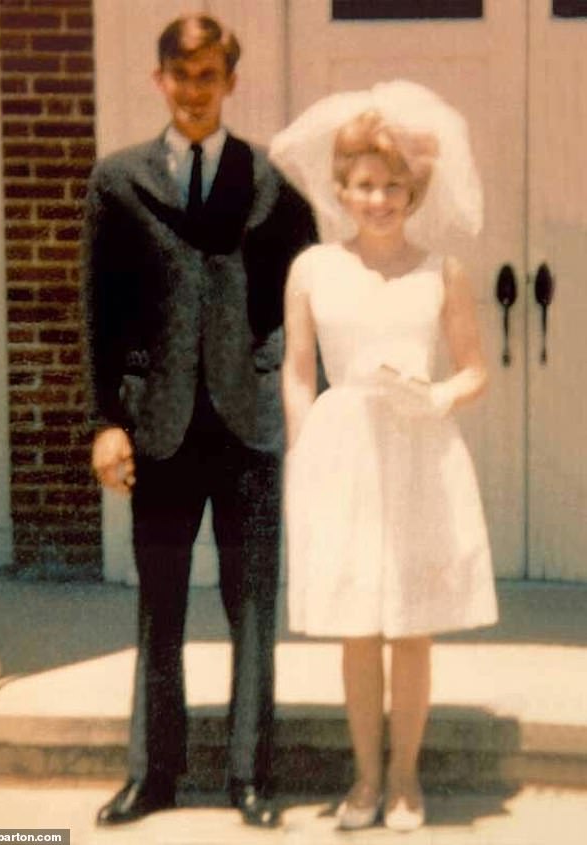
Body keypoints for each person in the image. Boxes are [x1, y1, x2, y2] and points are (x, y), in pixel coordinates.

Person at [82, 14, 316, 828]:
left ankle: (251, 774)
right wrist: (105, 420)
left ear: (228, 82)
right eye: (180, 77)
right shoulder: (118, 181)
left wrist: (289, 380)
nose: (193, 91)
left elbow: (306, 286)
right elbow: (100, 312)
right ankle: (155, 774)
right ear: (159, 81)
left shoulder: (269, 181)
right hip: (162, 426)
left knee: (253, 602)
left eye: (208, 76)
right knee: (161, 603)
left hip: (248, 425)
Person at [271, 81, 498, 833]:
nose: (379, 200)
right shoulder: (312, 270)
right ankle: (364, 779)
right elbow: (298, 370)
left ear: (414, 190)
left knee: (411, 625)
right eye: (365, 186)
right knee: (356, 626)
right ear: (341, 190)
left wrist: (438, 396)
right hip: (343, 457)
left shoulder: (443, 272)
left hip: (417, 454)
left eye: (394, 186)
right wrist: (305, 449)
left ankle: (406, 780)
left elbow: (474, 368)